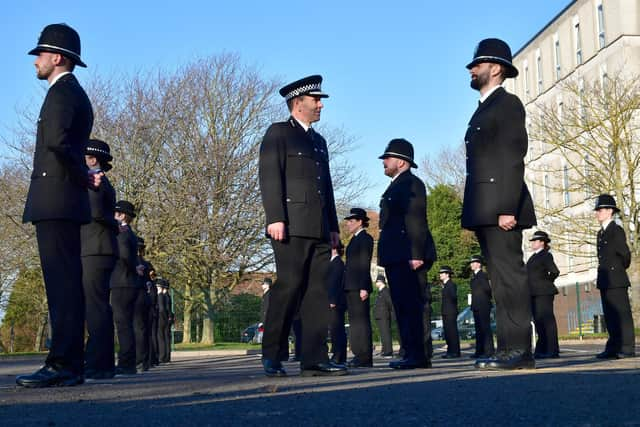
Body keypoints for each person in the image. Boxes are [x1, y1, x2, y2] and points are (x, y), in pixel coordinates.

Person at [17, 23, 99, 388]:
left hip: (57, 196)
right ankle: (69, 364)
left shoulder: (62, 93)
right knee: (65, 283)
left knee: (62, 284)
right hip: (63, 197)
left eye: (40, 54)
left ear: (58, 57)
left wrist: (81, 173)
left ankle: (62, 363)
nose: (35, 60)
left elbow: (57, 143)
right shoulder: (68, 93)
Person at [258, 75, 346, 377]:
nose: (321, 105)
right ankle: (273, 354)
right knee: (289, 287)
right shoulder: (279, 133)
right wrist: (275, 217)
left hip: (319, 227)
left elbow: (327, 187)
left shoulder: (318, 141)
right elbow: (270, 176)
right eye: (316, 100)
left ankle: (314, 359)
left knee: (317, 293)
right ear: (299, 103)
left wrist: (333, 226)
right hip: (290, 226)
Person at [462, 38, 536, 370]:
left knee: (510, 278)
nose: (472, 69)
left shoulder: (507, 104)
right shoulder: (483, 108)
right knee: (501, 282)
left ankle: (519, 350)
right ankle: (508, 348)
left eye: (477, 64)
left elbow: (511, 156)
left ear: (495, 68)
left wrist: (507, 206)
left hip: (500, 206)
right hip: (485, 206)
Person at [378, 138, 437, 369]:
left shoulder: (412, 183)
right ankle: (409, 352)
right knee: (402, 305)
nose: (384, 162)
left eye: (388, 158)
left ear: (402, 162)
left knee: (412, 305)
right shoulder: (396, 184)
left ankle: (418, 355)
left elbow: (415, 218)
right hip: (396, 255)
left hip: (408, 255)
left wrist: (416, 253)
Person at [81, 139, 118, 380]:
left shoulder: (95, 182)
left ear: (93, 159)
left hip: (94, 248)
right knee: (100, 306)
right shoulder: (104, 182)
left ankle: (97, 362)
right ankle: (101, 361)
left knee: (95, 308)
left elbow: (94, 213)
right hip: (101, 248)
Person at [593, 194, 636, 359]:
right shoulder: (601, 233)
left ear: (610, 211)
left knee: (622, 314)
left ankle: (627, 347)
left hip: (616, 278)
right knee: (610, 315)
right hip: (605, 279)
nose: (597, 213)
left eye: (600, 210)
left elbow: (625, 255)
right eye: (597, 210)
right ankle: (613, 347)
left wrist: (617, 269)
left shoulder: (616, 230)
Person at [110, 200, 141, 376]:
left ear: (121, 215)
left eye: (115, 213)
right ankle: (128, 362)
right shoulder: (130, 234)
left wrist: (131, 268)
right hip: (128, 283)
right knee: (126, 324)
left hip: (122, 282)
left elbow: (124, 256)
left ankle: (126, 362)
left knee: (123, 325)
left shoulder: (122, 234)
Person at [343, 208, 374, 368]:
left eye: (351, 221)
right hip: (350, 286)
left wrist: (364, 286)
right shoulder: (354, 240)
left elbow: (364, 263)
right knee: (355, 322)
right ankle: (358, 354)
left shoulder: (365, 239)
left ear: (360, 221)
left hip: (358, 286)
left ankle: (364, 356)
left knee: (361, 322)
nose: (348, 224)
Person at [526, 231, 560, 359]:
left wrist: (545, 282)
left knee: (547, 321)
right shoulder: (533, 257)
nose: (533, 243)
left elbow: (555, 271)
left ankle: (552, 349)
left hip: (544, 292)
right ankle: (542, 348)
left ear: (542, 242)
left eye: (535, 241)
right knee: (539, 321)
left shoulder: (545, 255)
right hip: (534, 293)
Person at [469, 255, 495, 359]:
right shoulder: (474, 276)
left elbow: (487, 289)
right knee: (478, 329)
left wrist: (484, 299)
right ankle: (479, 351)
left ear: (479, 264)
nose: (471, 264)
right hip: (476, 305)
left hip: (483, 304)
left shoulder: (482, 275)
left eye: (474, 262)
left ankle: (489, 351)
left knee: (485, 328)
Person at [327, 242, 347, 365]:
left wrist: (332, 300)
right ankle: (338, 355)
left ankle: (338, 356)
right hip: (335, 301)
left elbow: (335, 284)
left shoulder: (337, 263)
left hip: (336, 302)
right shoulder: (334, 263)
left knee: (337, 329)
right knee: (335, 329)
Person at [134, 237, 152, 372]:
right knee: (143, 329)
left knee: (137, 329)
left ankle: (138, 360)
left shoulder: (132, 262)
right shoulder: (148, 264)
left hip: (135, 294)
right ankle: (144, 360)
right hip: (145, 295)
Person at [439, 266, 461, 358]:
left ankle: (455, 351)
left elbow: (453, 298)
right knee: (447, 332)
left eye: (442, 273)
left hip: (450, 311)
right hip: (446, 311)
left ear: (447, 274)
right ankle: (450, 350)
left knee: (452, 332)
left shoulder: (451, 285)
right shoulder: (445, 285)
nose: (440, 275)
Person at [373, 275, 394, 358]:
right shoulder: (381, 291)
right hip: (380, 315)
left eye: (377, 281)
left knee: (386, 334)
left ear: (381, 282)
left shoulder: (385, 291)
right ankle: (385, 350)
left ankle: (388, 351)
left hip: (384, 315)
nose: (376, 283)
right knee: (383, 334)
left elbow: (390, 303)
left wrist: (391, 314)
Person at [157, 278, 174, 363]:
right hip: (167, 317)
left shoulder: (161, 296)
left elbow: (163, 308)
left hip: (162, 317)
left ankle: (162, 356)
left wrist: (164, 317)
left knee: (161, 337)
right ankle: (167, 356)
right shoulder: (168, 296)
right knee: (166, 337)